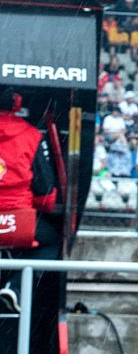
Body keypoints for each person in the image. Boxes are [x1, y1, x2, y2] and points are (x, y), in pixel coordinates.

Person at [0, 87, 59, 314]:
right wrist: (45, 205)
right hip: (17, 223)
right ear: (15, 103)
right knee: (52, 242)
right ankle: (15, 288)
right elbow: (44, 190)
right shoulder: (31, 134)